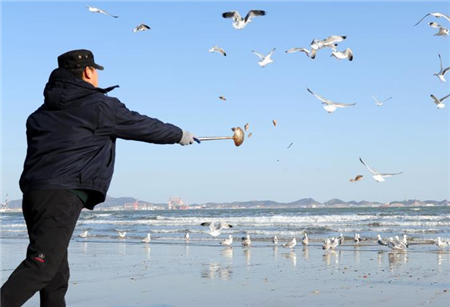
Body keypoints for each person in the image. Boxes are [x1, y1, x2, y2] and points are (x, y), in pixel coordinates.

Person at [0, 49, 199, 307]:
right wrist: (178, 134)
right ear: (87, 71)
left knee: (56, 271)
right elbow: (142, 126)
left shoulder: (39, 114)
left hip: (34, 194)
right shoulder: (100, 106)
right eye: (95, 70)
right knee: (42, 265)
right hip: (62, 194)